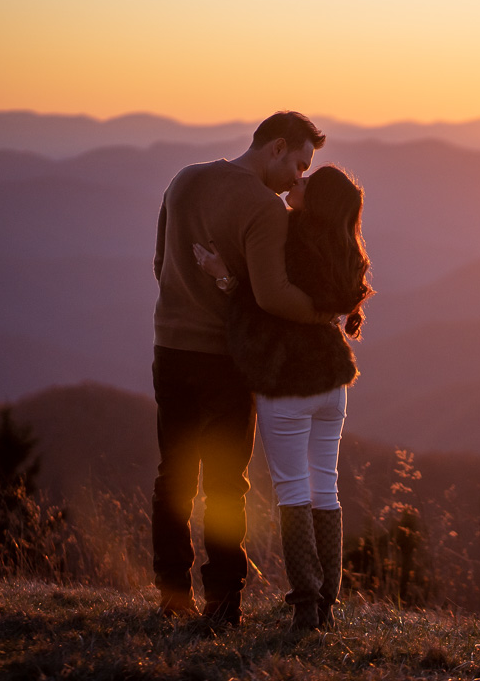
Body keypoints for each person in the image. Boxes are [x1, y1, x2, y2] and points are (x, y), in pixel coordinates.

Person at [151, 110, 328, 626]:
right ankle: (224, 602)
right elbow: (273, 298)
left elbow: (160, 265)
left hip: (169, 350)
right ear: (276, 147)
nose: (300, 178)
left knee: (173, 478)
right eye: (298, 163)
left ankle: (172, 595)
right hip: (224, 361)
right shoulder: (264, 209)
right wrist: (324, 313)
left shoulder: (184, 179)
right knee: (227, 485)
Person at [193, 164, 372, 631]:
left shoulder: (287, 233)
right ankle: (326, 604)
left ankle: (306, 604)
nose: (298, 182)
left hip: (286, 382)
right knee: (325, 488)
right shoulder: (345, 249)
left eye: (308, 183)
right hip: (332, 384)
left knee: (292, 490)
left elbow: (263, 300)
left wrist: (222, 276)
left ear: (318, 201)